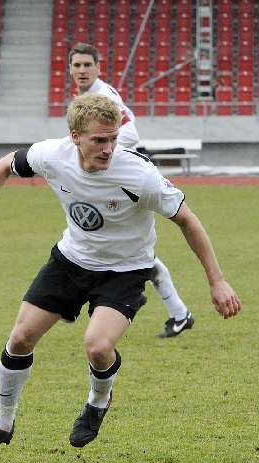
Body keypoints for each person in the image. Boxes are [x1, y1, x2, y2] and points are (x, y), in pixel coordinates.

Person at [0, 94, 241, 462]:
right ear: (75, 137)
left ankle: (97, 402)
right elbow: (5, 165)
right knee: (20, 338)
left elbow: (188, 220)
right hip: (71, 260)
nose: (108, 148)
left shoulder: (139, 175)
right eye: (99, 140)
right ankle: (2, 424)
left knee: (98, 347)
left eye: (113, 139)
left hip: (126, 270)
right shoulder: (52, 155)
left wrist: (217, 281)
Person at [69, 42, 194, 339]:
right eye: (77, 65)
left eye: (88, 64)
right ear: (70, 69)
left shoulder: (104, 95)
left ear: (98, 67)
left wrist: (106, 153)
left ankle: (166, 307)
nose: (82, 70)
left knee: (134, 249)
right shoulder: (87, 97)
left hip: (126, 179)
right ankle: (178, 312)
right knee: (130, 248)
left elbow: (131, 131)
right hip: (109, 178)